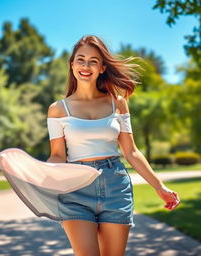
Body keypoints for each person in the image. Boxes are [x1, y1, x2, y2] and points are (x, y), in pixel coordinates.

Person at [46, 35, 180, 256]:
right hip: (76, 190)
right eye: (81, 59)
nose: (86, 66)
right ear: (72, 65)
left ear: (102, 67)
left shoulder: (117, 103)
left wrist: (159, 186)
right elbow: (58, 155)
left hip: (115, 187)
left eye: (93, 61)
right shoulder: (58, 109)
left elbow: (131, 151)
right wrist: (42, 173)